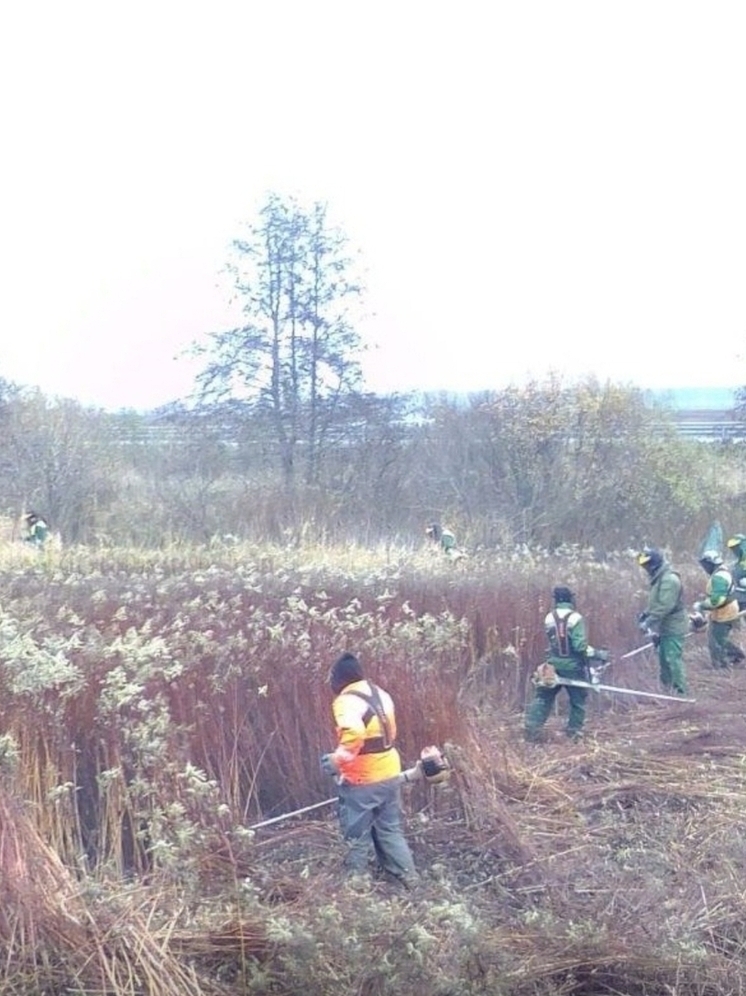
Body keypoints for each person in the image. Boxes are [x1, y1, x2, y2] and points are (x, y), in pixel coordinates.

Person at [320, 652, 418, 890]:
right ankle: (409, 881)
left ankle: (357, 888)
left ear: (339, 679)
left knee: (356, 836)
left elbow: (353, 733)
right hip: (389, 771)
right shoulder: (380, 693)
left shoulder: (346, 701)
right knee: (389, 830)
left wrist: (337, 760)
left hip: (363, 778)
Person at [524, 586, 605, 742]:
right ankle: (574, 734)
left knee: (543, 697)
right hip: (573, 668)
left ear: (555, 600)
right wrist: (598, 654)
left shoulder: (549, 617)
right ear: (570, 599)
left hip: (552, 666)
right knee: (578, 701)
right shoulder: (576, 618)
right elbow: (580, 647)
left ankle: (531, 730)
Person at [636, 547, 688, 696]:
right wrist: (646, 613)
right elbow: (656, 602)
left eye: (647, 564)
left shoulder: (669, 579)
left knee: (672, 659)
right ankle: (668, 690)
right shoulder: (659, 578)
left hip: (674, 625)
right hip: (664, 625)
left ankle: (681, 693)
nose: (645, 568)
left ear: (655, 563)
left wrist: (649, 621)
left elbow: (665, 605)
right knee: (663, 659)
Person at [693, 550, 745, 669]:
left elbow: (717, 601)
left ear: (710, 563)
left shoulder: (719, 577)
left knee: (716, 641)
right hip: (726, 609)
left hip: (725, 612)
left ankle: (722, 666)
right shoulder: (722, 571)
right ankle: (735, 656)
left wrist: (702, 605)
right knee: (719, 637)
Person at [725, 534, 746, 610]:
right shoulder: (737, 563)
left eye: (736, 547)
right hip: (738, 598)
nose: (734, 550)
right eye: (733, 548)